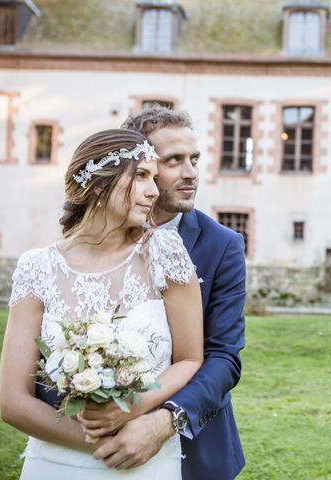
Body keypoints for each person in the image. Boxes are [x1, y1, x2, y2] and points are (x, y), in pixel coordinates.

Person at [0, 129, 204, 479]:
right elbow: (12, 402)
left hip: (146, 459)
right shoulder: (37, 268)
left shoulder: (165, 253)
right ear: (97, 183)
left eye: (153, 178)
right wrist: (102, 444)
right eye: (140, 176)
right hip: (56, 462)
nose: (154, 191)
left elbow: (190, 358)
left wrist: (134, 415)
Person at [91, 108, 247, 479]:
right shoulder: (89, 242)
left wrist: (165, 421)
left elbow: (224, 358)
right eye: (174, 160)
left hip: (195, 451)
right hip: (95, 442)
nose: (191, 173)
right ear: (136, 168)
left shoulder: (222, 245)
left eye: (194, 159)